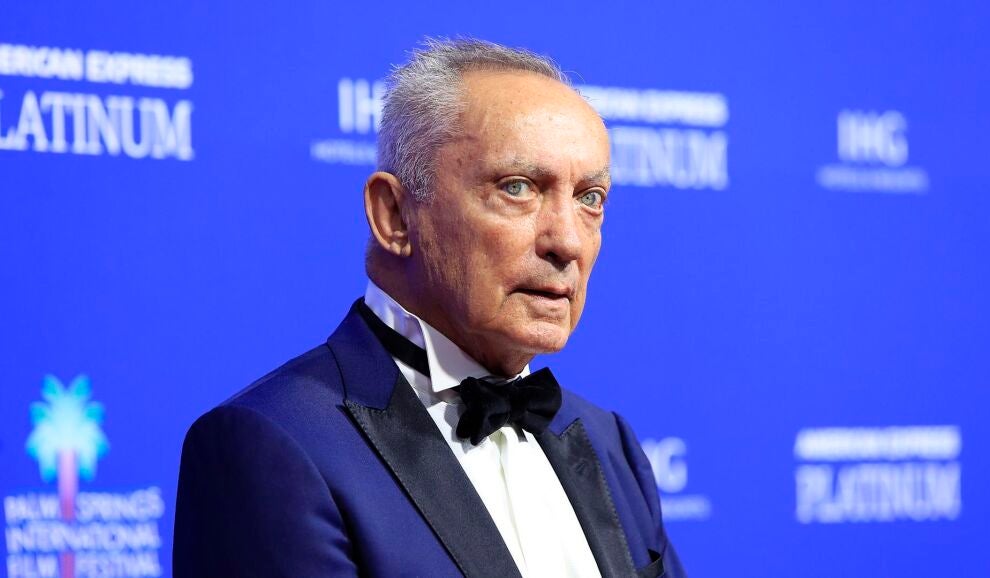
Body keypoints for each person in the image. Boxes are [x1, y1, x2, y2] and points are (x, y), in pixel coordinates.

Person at [173, 38, 684, 578]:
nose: (568, 242)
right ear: (394, 216)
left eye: (590, 198)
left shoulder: (610, 444)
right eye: (517, 188)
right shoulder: (271, 445)